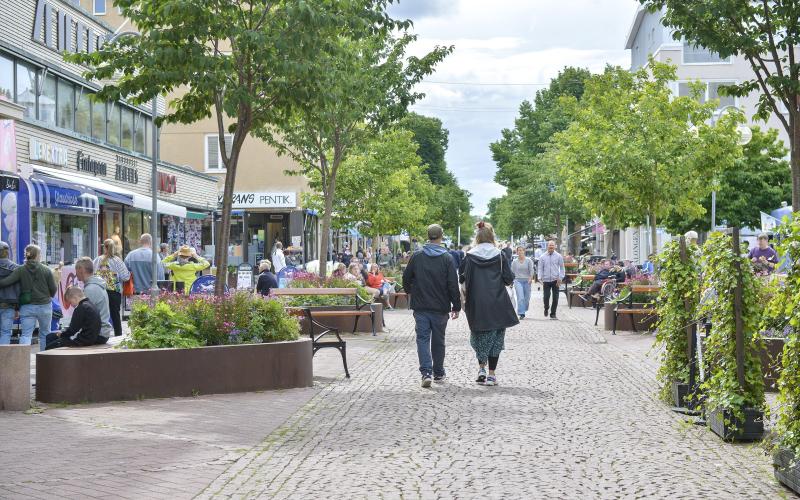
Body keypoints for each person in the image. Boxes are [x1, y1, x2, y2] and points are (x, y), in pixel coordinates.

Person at [460, 221, 518, 386]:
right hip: (498, 302)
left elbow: (461, 277)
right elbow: (508, 278)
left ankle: (481, 369)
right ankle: (492, 374)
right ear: (492, 237)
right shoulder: (500, 255)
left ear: (477, 237)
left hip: (476, 303)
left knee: (479, 334)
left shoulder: (469, 256)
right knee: (497, 339)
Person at [402, 224, 461, 388]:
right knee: (438, 340)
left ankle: (426, 373)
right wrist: (456, 306)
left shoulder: (417, 256)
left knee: (422, 339)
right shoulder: (447, 258)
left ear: (428, 236)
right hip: (440, 306)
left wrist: (410, 291)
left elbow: (406, 277)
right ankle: (439, 373)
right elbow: (452, 284)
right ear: (441, 237)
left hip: (420, 305)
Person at [0, 245, 57, 350]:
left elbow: (5, 282)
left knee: (26, 335)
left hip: (27, 307)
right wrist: (49, 295)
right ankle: (43, 359)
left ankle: (23, 360)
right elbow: (53, 289)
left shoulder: (20, 270)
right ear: (38, 255)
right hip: (45, 306)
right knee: (45, 333)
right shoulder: (46, 270)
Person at [93, 239, 131, 337]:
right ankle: (118, 335)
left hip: (100, 290)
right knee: (115, 315)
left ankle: (99, 335)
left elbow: (92, 274)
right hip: (114, 292)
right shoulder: (117, 260)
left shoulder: (97, 260)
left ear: (104, 247)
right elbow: (126, 277)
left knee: (99, 314)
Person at [74, 257, 113, 342]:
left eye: (76, 269)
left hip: (97, 334)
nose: (75, 273)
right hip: (102, 332)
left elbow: (83, 318)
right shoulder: (96, 285)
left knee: (55, 340)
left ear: (81, 270)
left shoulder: (91, 289)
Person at [537, 240, 565, 320]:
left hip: (556, 280)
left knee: (555, 298)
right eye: (550, 245)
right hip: (546, 280)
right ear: (547, 246)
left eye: (552, 245)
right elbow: (540, 268)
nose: (551, 247)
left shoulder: (559, 256)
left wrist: (560, 278)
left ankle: (553, 314)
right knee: (546, 297)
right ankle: (546, 308)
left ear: (555, 246)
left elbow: (562, 268)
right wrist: (539, 278)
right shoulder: (542, 257)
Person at [0, 241, 19, 345]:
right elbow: (18, 289)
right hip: (9, 306)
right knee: (5, 333)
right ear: (7, 252)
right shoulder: (15, 268)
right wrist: (17, 308)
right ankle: (2, 359)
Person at [511, 245, 535, 320]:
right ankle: (521, 313)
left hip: (527, 281)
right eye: (519, 250)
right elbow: (512, 272)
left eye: (522, 250)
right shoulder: (514, 262)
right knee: (520, 297)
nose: (520, 252)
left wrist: (530, 278)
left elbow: (531, 270)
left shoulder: (529, 260)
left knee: (527, 298)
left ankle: (524, 309)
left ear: (524, 251)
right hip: (517, 281)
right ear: (517, 252)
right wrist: (511, 282)